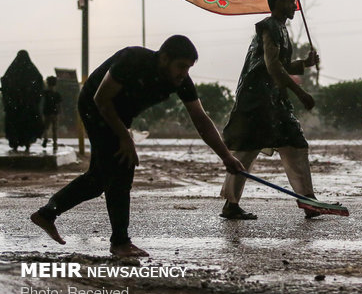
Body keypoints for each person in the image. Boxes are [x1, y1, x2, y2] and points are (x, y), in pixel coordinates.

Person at [30, 36, 244, 257]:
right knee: (122, 167)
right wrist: (125, 137)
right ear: (164, 58)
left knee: (98, 179)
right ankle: (120, 242)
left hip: (120, 114)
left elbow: (200, 119)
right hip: (94, 105)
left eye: (188, 68)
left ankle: (47, 214)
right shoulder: (133, 60)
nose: (184, 73)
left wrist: (226, 157)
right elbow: (101, 98)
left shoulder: (181, 81)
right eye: (180, 66)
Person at [220, 0, 321, 220]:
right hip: (257, 100)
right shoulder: (269, 27)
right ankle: (231, 204)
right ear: (277, 4)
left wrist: (304, 64)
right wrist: (300, 92)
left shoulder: (282, 30)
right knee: (246, 150)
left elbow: (279, 64)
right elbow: (272, 67)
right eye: (290, 1)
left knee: (295, 143)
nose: (295, 5)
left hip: (274, 99)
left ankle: (308, 200)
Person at [1, 50, 44, 152]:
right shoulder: (32, 70)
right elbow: (39, 82)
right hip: (27, 106)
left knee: (15, 126)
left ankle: (15, 143)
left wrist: (12, 97)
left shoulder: (12, 71)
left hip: (15, 107)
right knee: (27, 125)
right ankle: (27, 143)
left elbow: (4, 82)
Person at [41, 76, 62, 150]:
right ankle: (55, 144)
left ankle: (45, 138)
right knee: (54, 129)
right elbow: (59, 105)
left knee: (46, 128)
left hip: (47, 112)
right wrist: (60, 113)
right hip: (55, 113)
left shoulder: (45, 93)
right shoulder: (57, 94)